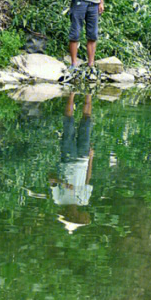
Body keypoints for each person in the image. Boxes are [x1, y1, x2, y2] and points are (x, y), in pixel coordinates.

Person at [48, 89, 93, 231]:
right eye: (75, 217)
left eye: (72, 217)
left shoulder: (59, 199)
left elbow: (51, 179)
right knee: (86, 123)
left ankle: (72, 93)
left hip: (68, 159)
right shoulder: (83, 200)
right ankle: (88, 93)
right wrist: (91, 158)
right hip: (83, 159)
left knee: (68, 125)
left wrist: (63, 183)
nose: (74, 215)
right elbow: (87, 179)